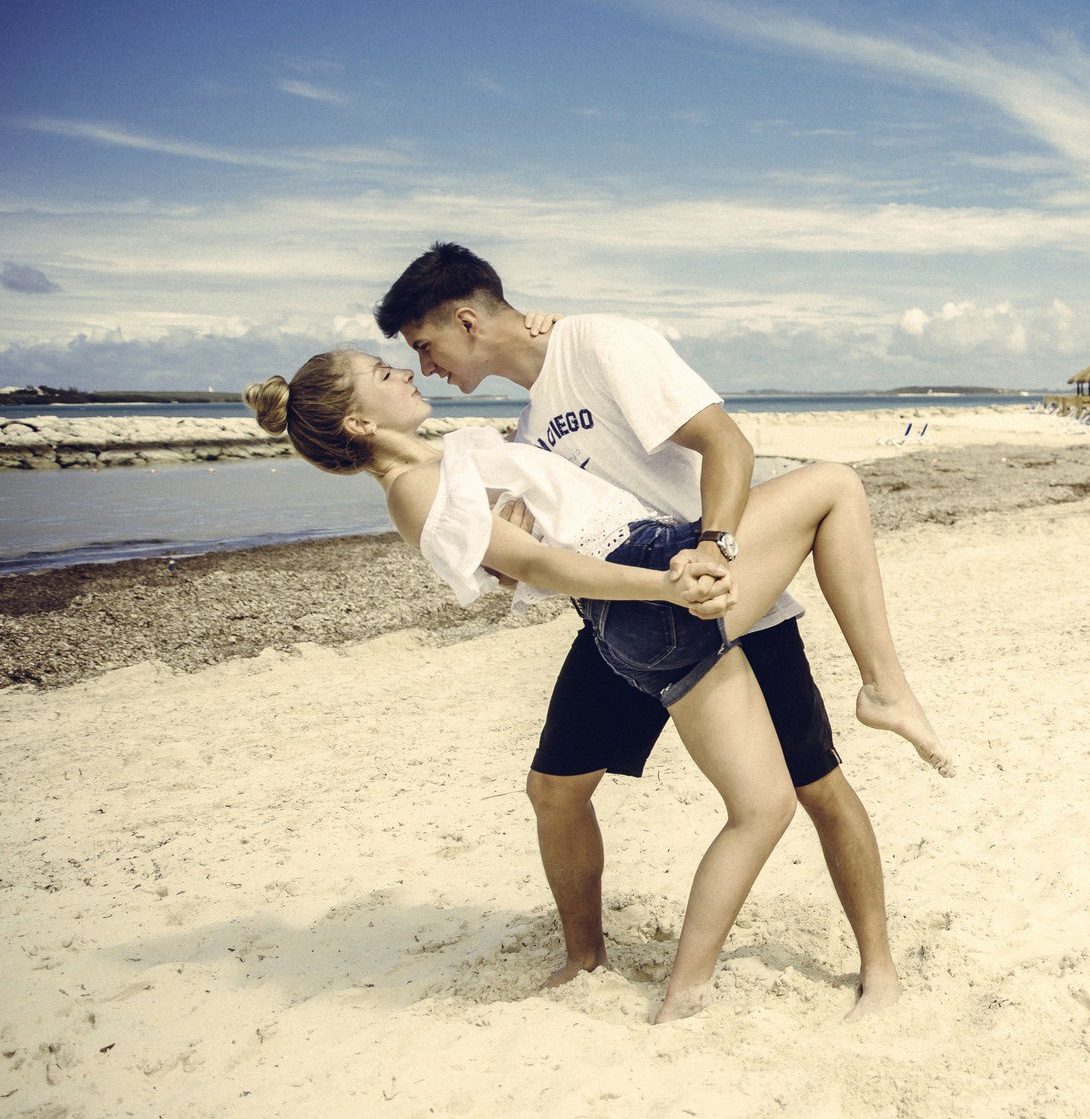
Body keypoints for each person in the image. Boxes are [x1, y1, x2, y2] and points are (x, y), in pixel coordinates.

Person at [243, 350, 946, 1022]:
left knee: (764, 807)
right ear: (359, 424)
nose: (403, 370)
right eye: (381, 371)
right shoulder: (415, 487)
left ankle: (682, 996)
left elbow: (517, 556)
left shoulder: (440, 462)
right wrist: (663, 585)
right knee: (834, 486)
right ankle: (883, 688)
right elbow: (540, 567)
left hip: (633, 595)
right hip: (640, 574)